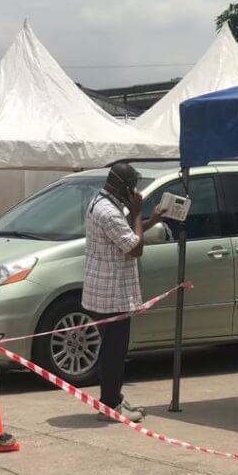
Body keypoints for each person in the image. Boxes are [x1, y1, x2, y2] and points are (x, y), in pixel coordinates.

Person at [82, 162, 166, 423]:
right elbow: (135, 247)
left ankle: (114, 397)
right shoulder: (108, 211)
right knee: (114, 352)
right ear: (122, 185)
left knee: (113, 349)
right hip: (111, 294)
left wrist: (152, 220)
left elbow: (128, 232)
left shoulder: (103, 202)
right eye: (132, 186)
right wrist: (138, 212)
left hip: (104, 291)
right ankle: (109, 404)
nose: (134, 191)